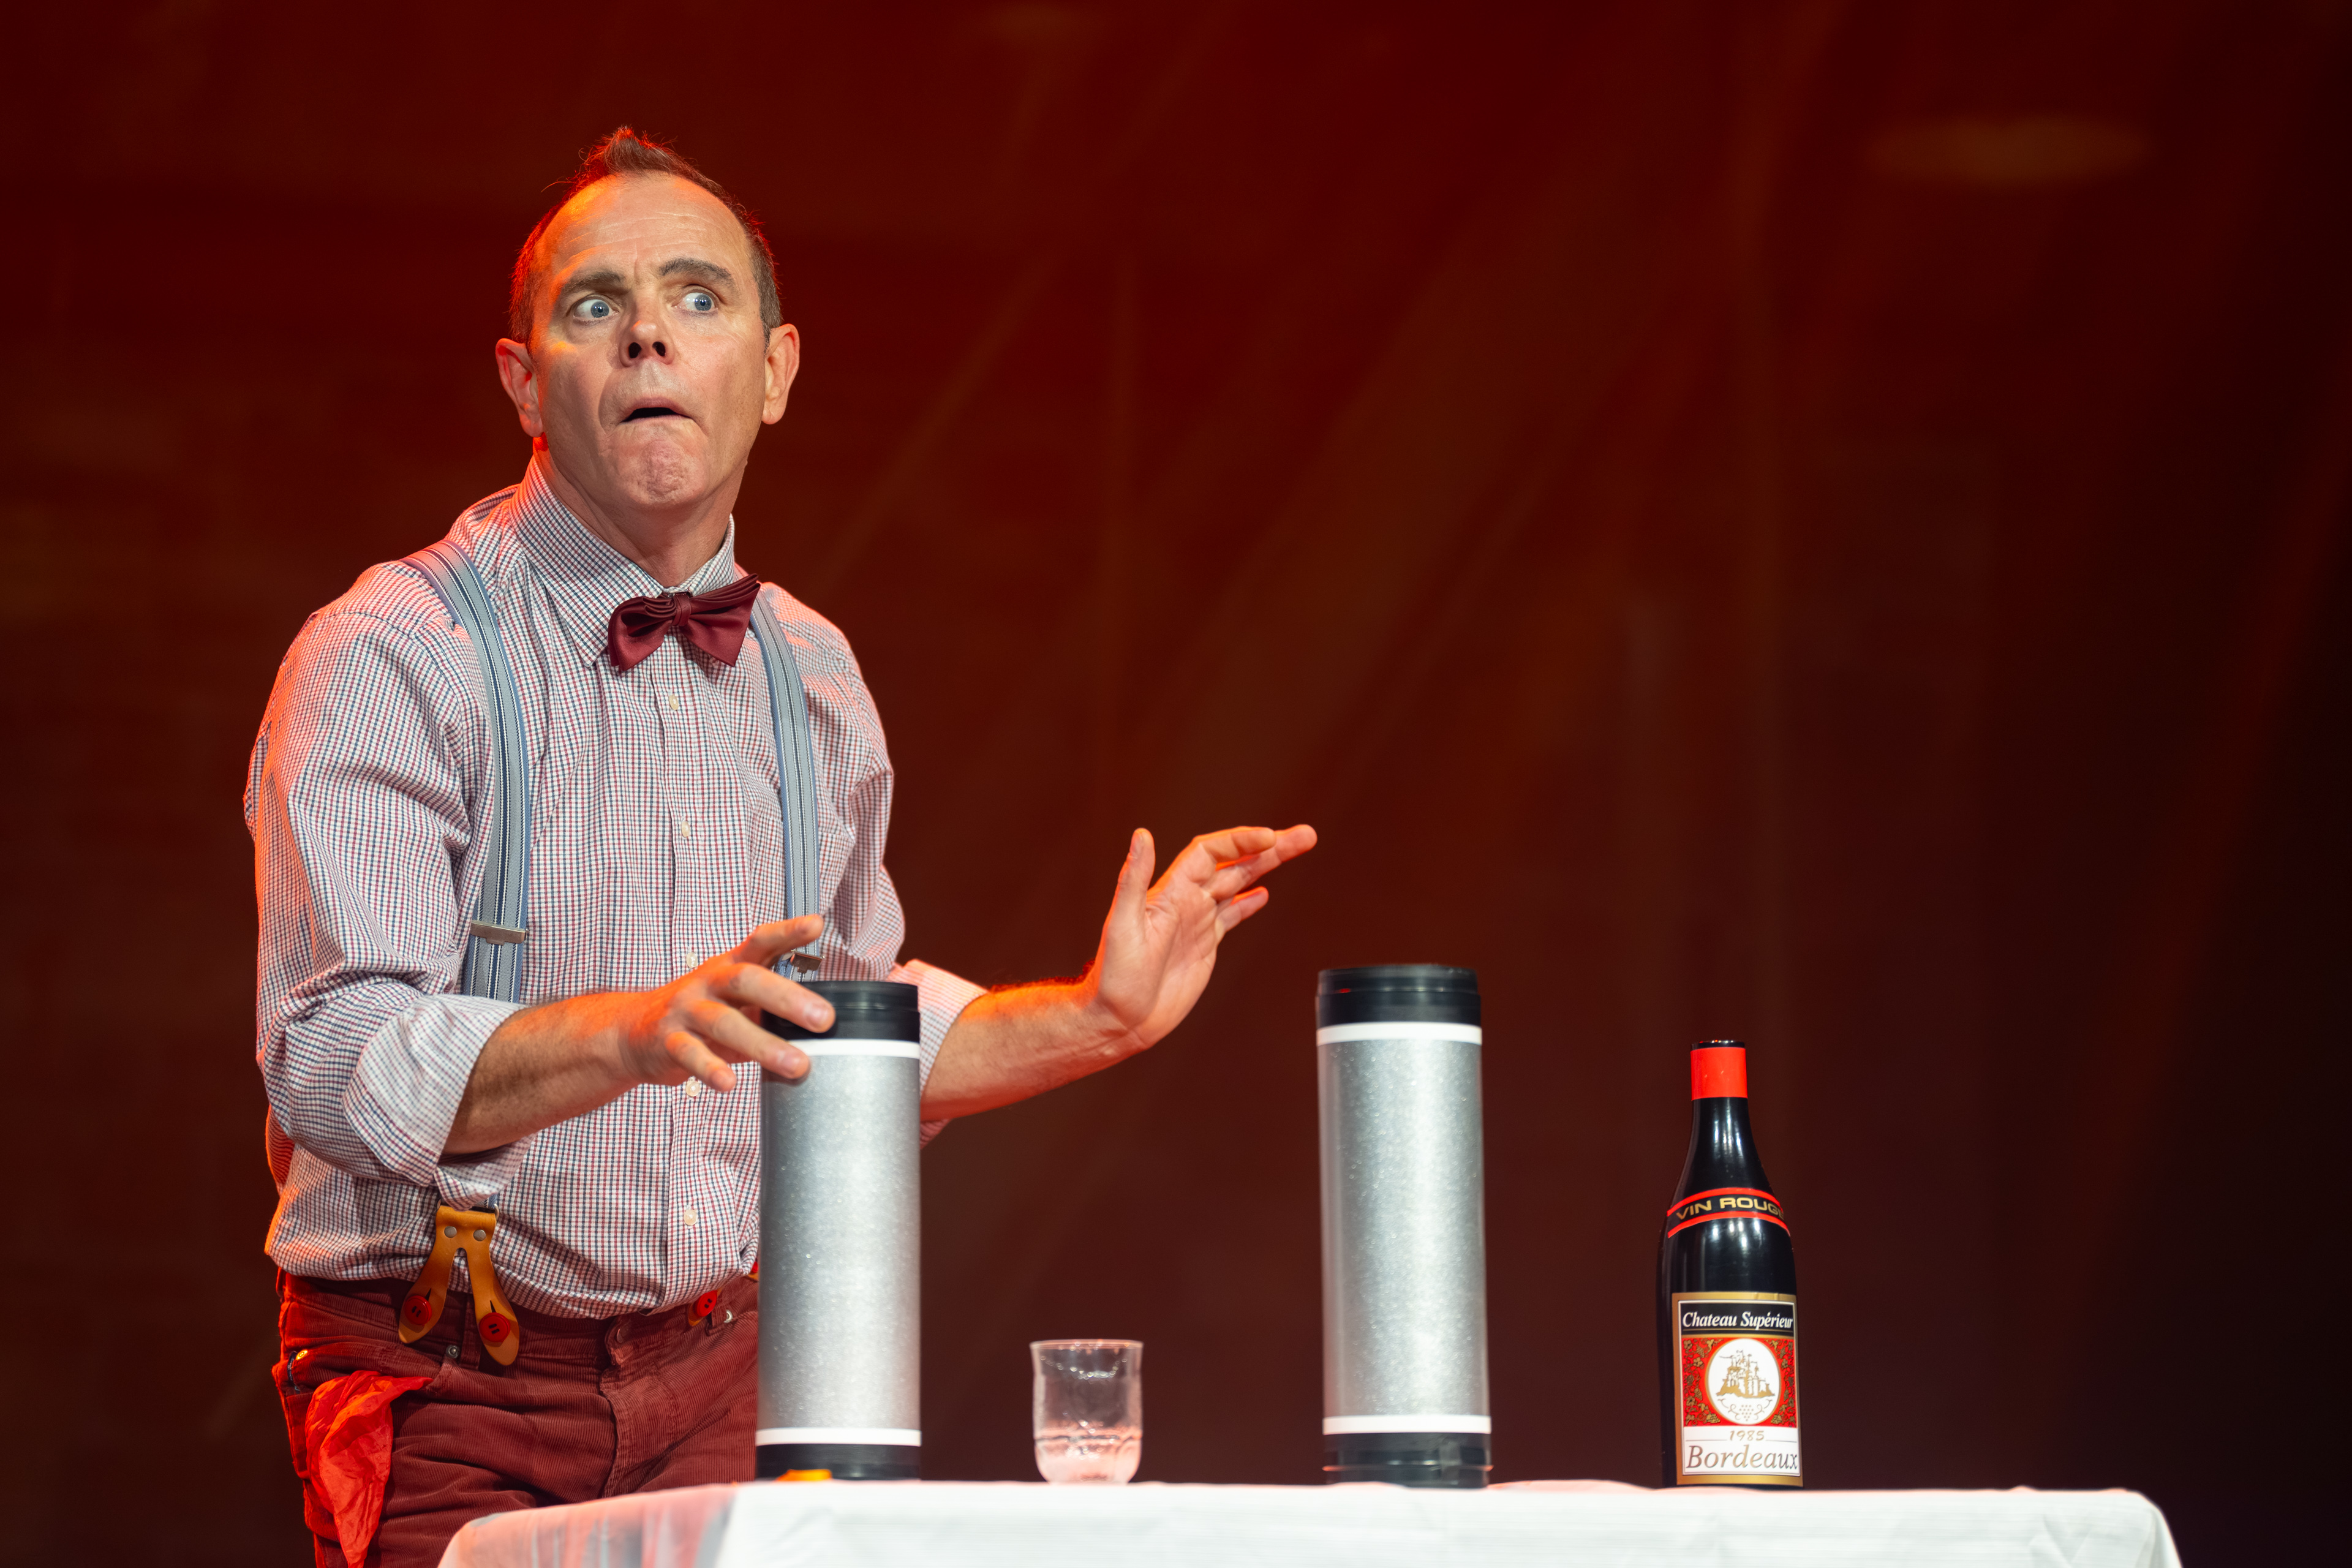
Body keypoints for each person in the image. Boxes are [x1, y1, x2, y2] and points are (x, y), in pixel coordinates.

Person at [247, 126, 1315, 1567]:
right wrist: (635, 1031)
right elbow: (332, 1058)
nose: (647, 335)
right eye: (595, 305)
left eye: (697, 298)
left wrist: (1097, 1016)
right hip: (454, 1373)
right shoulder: (393, 648)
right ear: (523, 381)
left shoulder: (813, 674)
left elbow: (844, 1041)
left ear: (774, 370)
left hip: (730, 1375)